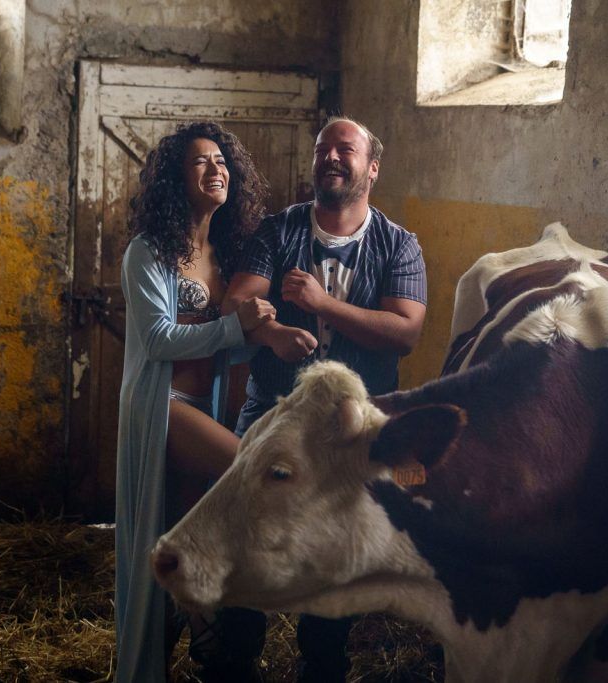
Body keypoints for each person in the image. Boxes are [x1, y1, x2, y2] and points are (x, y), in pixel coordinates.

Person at [221, 116, 428, 682]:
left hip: (354, 425)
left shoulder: (398, 246)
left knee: (338, 547)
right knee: (246, 530)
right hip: (272, 409)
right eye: (323, 149)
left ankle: (322, 667)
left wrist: (323, 304)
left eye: (346, 149)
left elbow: (405, 332)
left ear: (372, 168)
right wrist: (269, 333)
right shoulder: (277, 231)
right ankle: (233, 662)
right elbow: (236, 302)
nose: (332, 157)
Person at [114, 121, 275, 683]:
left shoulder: (226, 255)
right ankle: (209, 626)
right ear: (173, 180)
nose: (217, 170)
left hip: (201, 406)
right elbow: (158, 338)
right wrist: (237, 328)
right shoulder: (148, 251)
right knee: (248, 469)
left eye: (223, 162)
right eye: (201, 162)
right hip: (162, 406)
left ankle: (190, 639)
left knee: (174, 546)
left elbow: (227, 350)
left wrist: (268, 338)